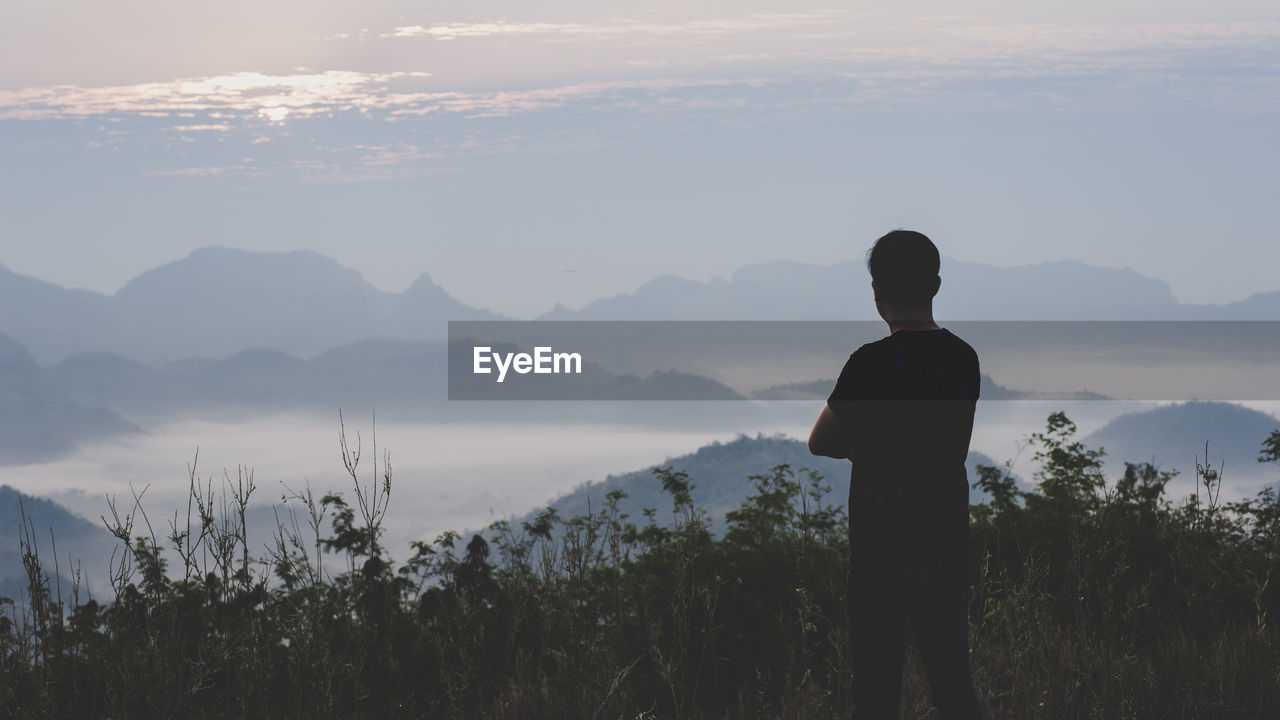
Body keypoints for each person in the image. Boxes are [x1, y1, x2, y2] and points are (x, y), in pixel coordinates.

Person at [808, 230, 984, 720]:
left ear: (875, 289)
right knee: (954, 685)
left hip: (879, 548)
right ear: (936, 285)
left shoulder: (868, 364)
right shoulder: (962, 358)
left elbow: (821, 441)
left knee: (875, 692)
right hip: (946, 542)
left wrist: (872, 444)